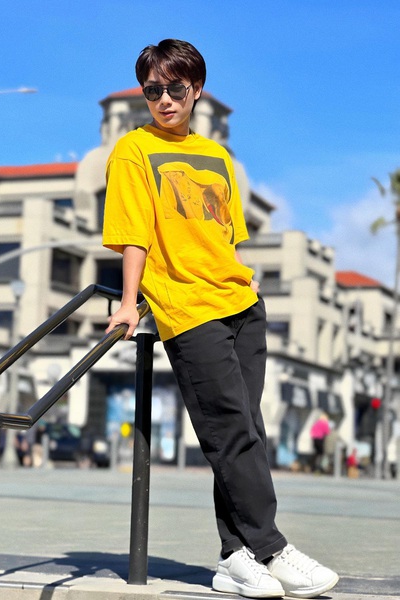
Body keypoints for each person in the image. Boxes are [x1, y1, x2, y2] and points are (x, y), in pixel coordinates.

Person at [102, 38, 338, 599]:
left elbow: (224, 236)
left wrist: (244, 280)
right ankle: (272, 549)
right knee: (230, 430)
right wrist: (129, 300)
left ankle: (236, 557)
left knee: (247, 433)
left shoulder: (217, 156)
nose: (163, 99)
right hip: (186, 308)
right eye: (152, 90)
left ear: (197, 90)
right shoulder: (133, 151)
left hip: (240, 304)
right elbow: (134, 234)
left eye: (174, 88)